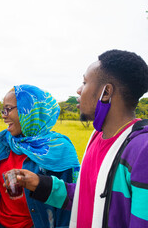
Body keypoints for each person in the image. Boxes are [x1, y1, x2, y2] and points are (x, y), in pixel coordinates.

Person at [13, 49, 148, 228]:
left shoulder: (141, 149)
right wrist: (39, 184)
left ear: (106, 92)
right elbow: (89, 195)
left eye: (84, 82)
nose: (78, 90)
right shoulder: (97, 136)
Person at [0, 84, 80, 228]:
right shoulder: (5, 140)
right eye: (3, 109)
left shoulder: (59, 148)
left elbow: (70, 204)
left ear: (29, 111)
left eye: (8, 109)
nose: (3, 115)